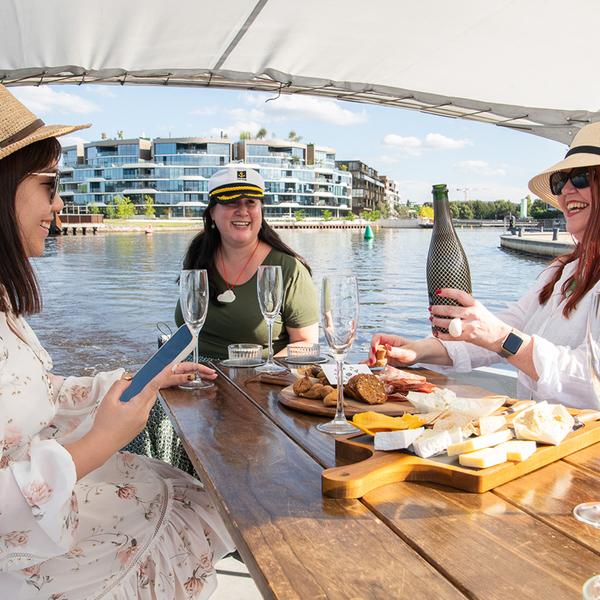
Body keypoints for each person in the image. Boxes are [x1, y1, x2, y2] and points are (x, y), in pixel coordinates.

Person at [0, 85, 234, 598]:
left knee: (195, 499)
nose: (60, 204)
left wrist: (130, 382)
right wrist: (102, 439)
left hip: (53, 509)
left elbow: (33, 391)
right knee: (205, 506)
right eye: (50, 185)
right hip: (30, 551)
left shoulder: (3, 305)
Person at [369, 121, 600, 410]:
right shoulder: (561, 271)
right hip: (546, 435)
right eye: (559, 182)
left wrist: (501, 338)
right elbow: (502, 328)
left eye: (580, 178)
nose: (565, 190)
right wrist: (415, 351)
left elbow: (593, 381)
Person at [174, 167, 319, 358]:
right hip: (192, 379)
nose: (242, 211)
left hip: (254, 383)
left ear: (261, 211)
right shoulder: (199, 256)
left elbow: (306, 343)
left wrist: (258, 374)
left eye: (251, 203)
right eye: (231, 202)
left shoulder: (290, 270)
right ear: (212, 213)